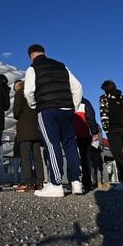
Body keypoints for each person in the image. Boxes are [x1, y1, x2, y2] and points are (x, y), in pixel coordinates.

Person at [24, 44, 83, 198]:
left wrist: (34, 105)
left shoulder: (32, 68)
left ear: (30, 55)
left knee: (52, 144)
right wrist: (74, 105)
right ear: (45, 52)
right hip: (67, 109)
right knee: (70, 144)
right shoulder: (61, 66)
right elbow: (77, 87)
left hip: (47, 110)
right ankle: (76, 182)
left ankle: (56, 184)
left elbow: (28, 91)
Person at [12, 79, 45, 192]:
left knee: (25, 156)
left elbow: (16, 112)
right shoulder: (36, 94)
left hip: (24, 129)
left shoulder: (20, 93)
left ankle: (28, 182)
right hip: (36, 129)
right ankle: (39, 182)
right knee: (37, 156)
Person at [74, 97, 101, 192]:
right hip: (83, 133)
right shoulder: (85, 101)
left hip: (70, 135)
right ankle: (87, 184)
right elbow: (91, 117)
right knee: (86, 160)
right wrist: (94, 132)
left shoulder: (64, 100)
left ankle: (73, 182)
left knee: (72, 158)